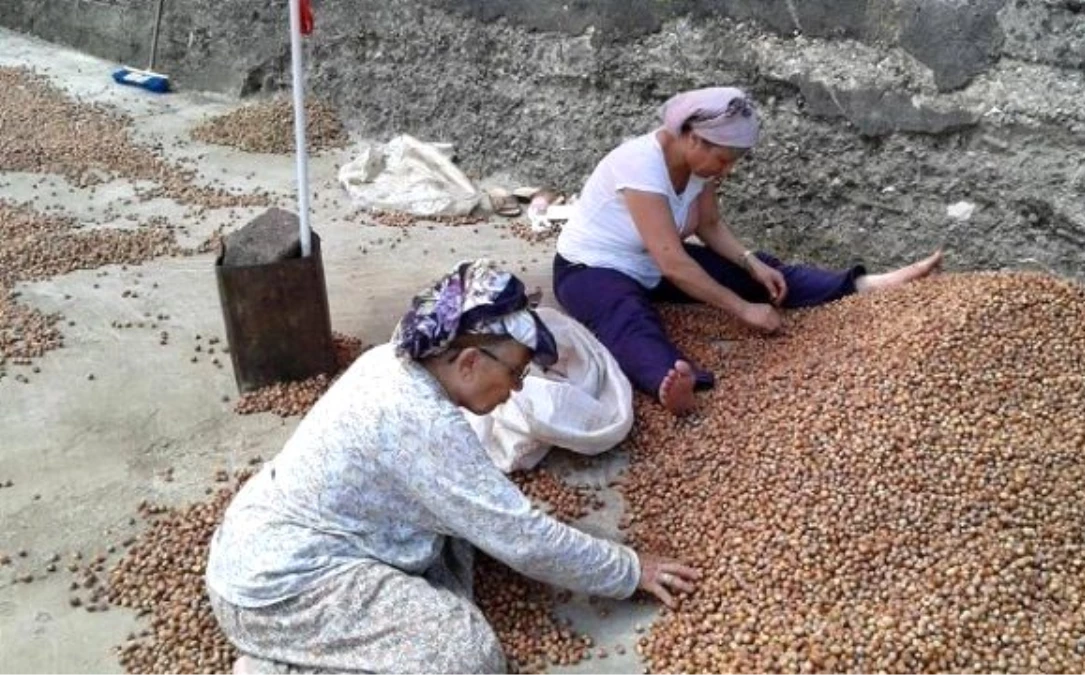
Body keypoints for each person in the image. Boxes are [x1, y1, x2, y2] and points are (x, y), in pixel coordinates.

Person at [205, 260, 699, 675]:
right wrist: (630, 569)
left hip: (286, 541)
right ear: (468, 363)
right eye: (516, 372)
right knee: (470, 655)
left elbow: (499, 523)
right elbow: (522, 536)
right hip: (279, 591)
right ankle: (280, 662)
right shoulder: (419, 419)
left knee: (463, 536)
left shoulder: (392, 360)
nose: (519, 389)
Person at [554, 86, 943, 415]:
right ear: (693, 138)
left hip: (649, 263)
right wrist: (742, 310)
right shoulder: (639, 164)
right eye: (722, 160)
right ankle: (668, 383)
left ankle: (863, 285)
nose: (726, 171)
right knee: (626, 315)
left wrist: (751, 262)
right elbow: (673, 262)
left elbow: (709, 226)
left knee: (762, 274)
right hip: (590, 268)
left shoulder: (699, 168)